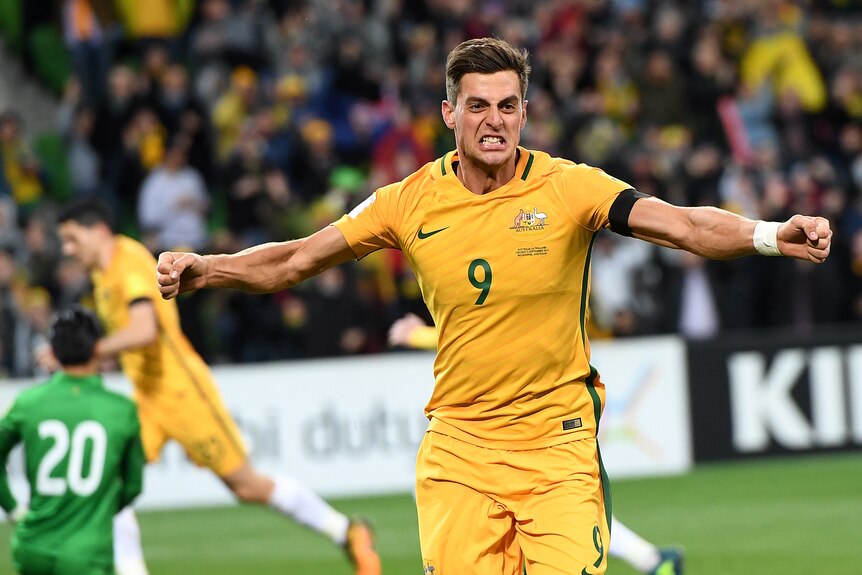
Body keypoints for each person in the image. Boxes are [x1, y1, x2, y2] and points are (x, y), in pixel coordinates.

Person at [156, 38, 832, 575]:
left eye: (508, 105)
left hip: (557, 445)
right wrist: (208, 268)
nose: (494, 121)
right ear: (448, 113)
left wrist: (771, 235)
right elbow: (297, 258)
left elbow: (683, 225)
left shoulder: (569, 187)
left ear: (525, 112)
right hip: (460, 450)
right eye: (478, 105)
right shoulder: (407, 200)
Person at [55, 199, 380, 575]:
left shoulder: (128, 263)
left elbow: (144, 331)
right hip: (146, 397)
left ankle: (347, 532)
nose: (67, 250)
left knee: (246, 485)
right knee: (110, 486)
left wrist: (91, 351)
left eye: (72, 239)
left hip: (181, 392)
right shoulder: (101, 273)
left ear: (97, 232)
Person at [387, 313, 684, 575]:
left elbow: (491, 338)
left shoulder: (536, 280)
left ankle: (650, 559)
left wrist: (419, 335)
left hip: (550, 409)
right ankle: (650, 559)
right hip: (557, 402)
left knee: (562, 505)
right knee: (566, 505)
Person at [0, 305, 145, 575]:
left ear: (53, 353)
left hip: (33, 547)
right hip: (87, 552)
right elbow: (133, 486)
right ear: (98, 349)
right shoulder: (121, 410)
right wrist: (95, 512)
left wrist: (13, 509)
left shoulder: (28, 403)